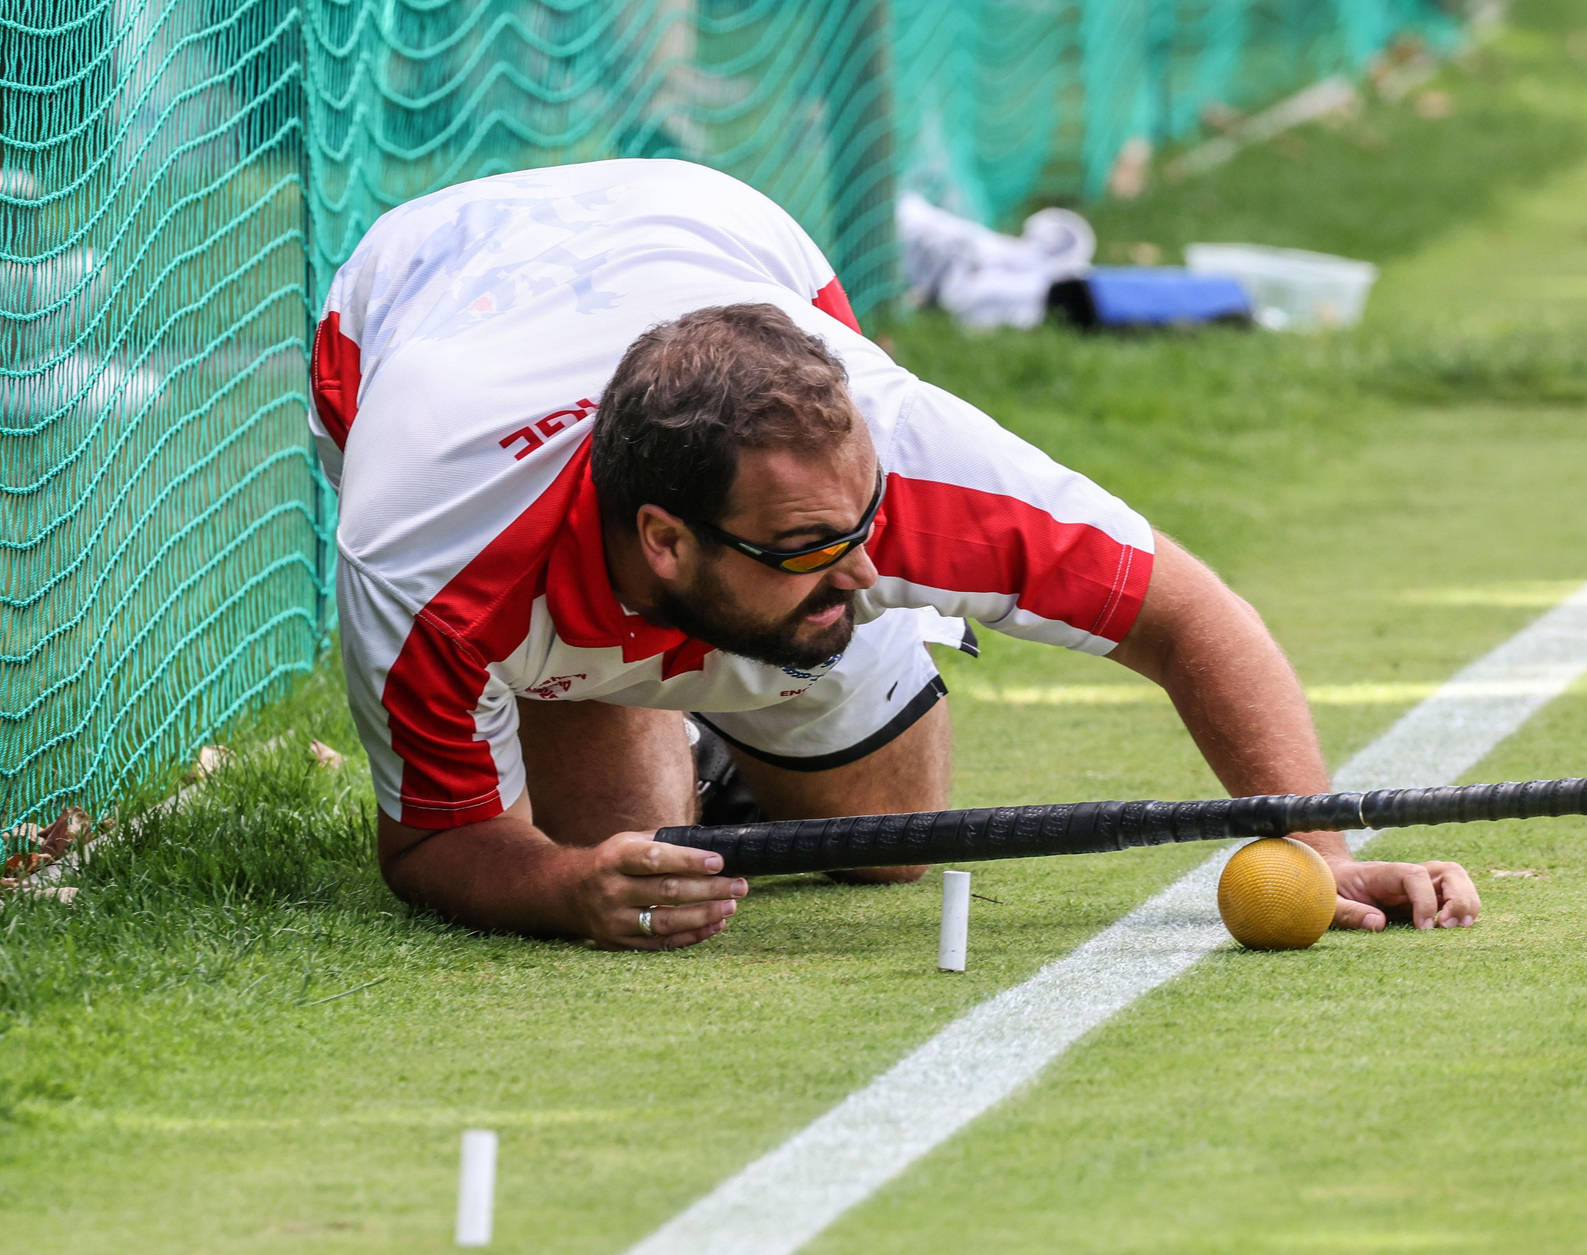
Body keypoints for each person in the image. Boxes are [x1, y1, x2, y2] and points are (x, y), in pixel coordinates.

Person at [309, 158, 1480, 952]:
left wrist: (1324, 851)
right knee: (601, 855)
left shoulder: (899, 463)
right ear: (660, 538)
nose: (866, 572)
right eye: (813, 546)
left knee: (887, 844)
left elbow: (1192, 618)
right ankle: (622, 687)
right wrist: (563, 889)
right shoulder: (426, 549)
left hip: (705, 224)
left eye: (864, 527)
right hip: (406, 303)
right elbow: (435, 841)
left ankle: (714, 709)